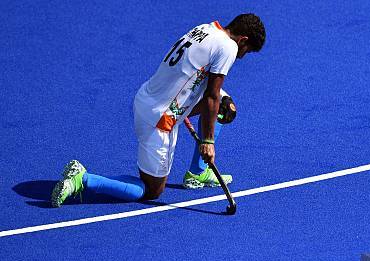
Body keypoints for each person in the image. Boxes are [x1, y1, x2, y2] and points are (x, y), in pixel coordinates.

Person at [51, 14, 266, 207]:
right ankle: (83, 178)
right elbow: (210, 95)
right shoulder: (228, 47)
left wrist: (216, 101)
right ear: (243, 40)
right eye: (246, 51)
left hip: (146, 98)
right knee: (153, 190)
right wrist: (208, 143)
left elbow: (196, 77)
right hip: (160, 119)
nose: (242, 56)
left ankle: (197, 173)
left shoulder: (206, 29)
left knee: (224, 106)